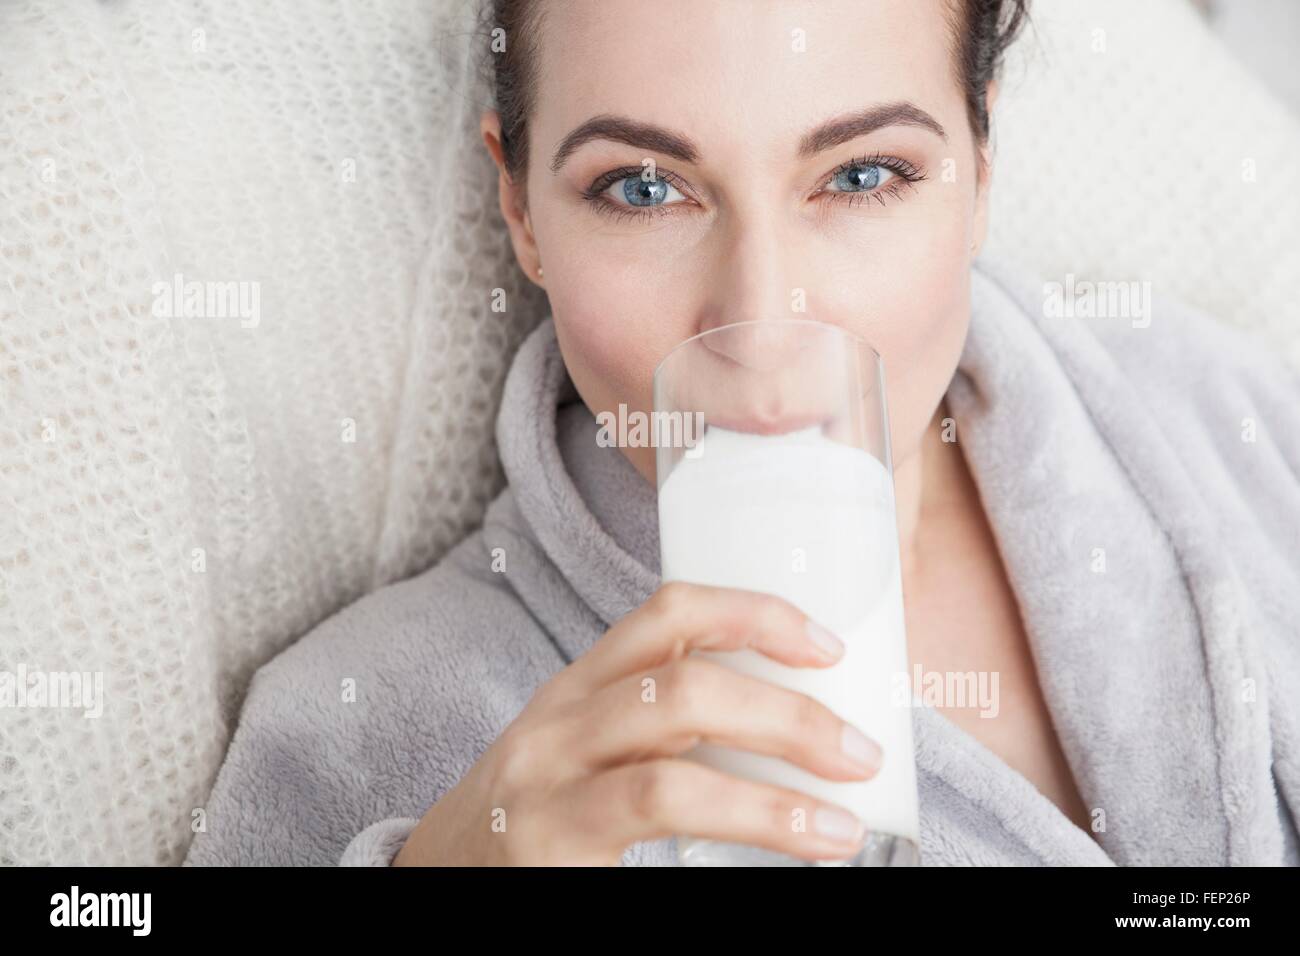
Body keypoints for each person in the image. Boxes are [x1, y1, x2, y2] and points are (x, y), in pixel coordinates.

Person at [183, 0, 1300, 866]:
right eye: (642, 189)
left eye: (864, 175)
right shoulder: (370, 720)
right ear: (520, 208)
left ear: (982, 162)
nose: (763, 331)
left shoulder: (1218, 415)